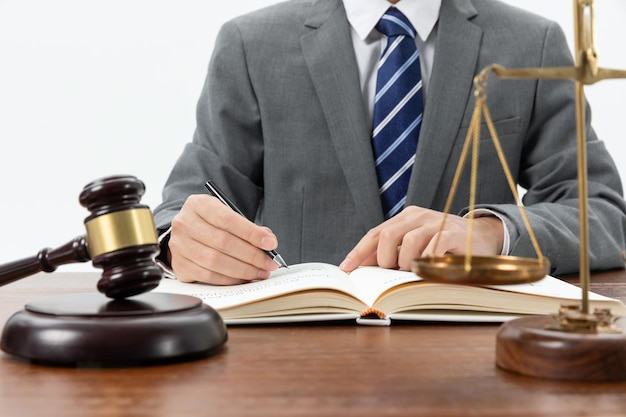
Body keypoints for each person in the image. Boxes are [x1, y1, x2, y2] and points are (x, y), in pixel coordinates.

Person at [152, 0, 626, 285]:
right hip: (299, 359)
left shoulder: (532, 43)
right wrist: (179, 242)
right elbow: (182, 207)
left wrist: (492, 233)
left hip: (475, 355)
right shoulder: (250, 45)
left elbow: (603, 213)